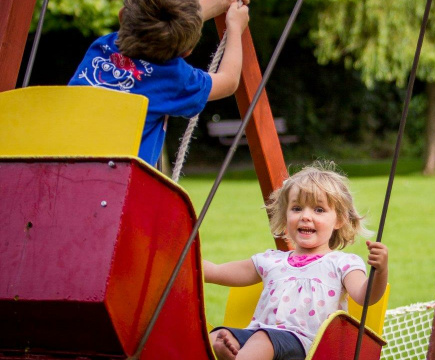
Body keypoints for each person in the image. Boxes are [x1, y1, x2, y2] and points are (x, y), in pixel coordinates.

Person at [203, 161, 389, 360]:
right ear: (285, 215)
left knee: (263, 340)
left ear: (340, 219)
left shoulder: (342, 263)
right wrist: (177, 258)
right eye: (297, 208)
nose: (305, 216)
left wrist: (380, 270)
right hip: (259, 337)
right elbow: (215, 271)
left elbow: (366, 296)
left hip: (307, 346)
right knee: (215, 338)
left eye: (319, 210)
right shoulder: (270, 261)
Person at [68, 0, 249, 167]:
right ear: (188, 51)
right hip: (123, 187)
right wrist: (234, 27)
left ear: (122, 16)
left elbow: (161, 20)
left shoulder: (102, 47)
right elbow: (228, 80)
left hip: (64, 172)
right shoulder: (174, 77)